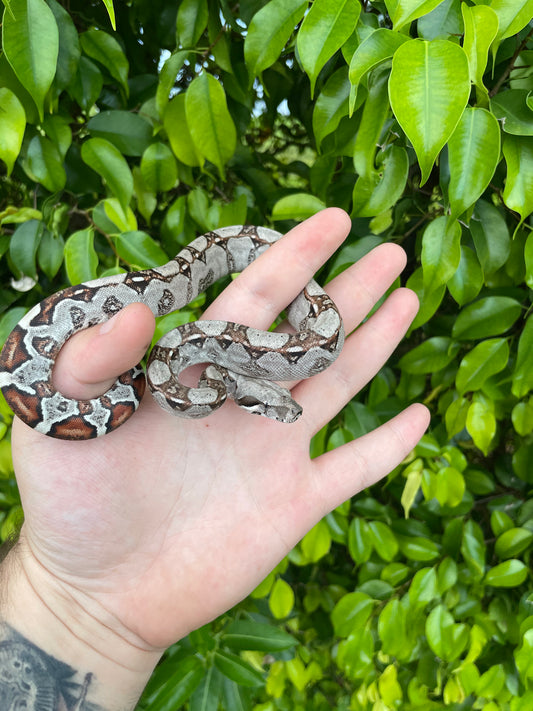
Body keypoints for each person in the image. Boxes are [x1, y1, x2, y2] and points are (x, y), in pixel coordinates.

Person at [0, 209, 430, 710]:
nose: (279, 408)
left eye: (272, 404)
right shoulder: (182, 387)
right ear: (239, 394)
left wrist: (84, 611)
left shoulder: (191, 382)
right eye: (271, 403)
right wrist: (69, 593)